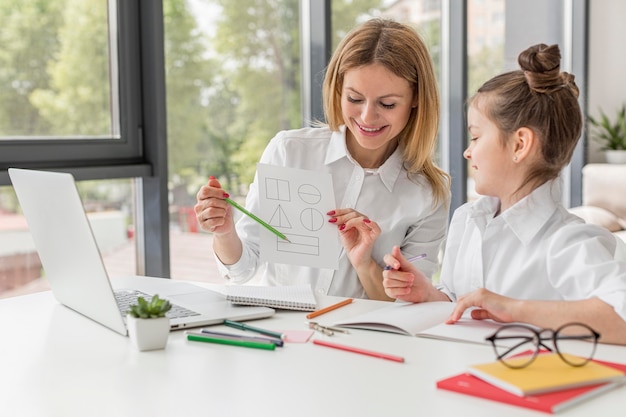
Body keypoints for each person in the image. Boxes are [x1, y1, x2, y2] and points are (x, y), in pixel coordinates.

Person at [382, 43, 626, 345]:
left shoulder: (569, 243)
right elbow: (463, 304)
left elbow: (622, 317)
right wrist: (428, 293)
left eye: (476, 136)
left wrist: (514, 309)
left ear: (520, 144)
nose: (467, 151)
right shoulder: (467, 219)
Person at [194, 19, 450, 301]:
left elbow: (408, 304)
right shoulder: (289, 152)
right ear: (338, 89)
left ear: (416, 98)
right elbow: (242, 270)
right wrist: (224, 231)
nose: (367, 117)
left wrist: (365, 263)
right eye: (354, 98)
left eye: (387, 104)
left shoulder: (428, 191)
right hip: (282, 334)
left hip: (360, 341)